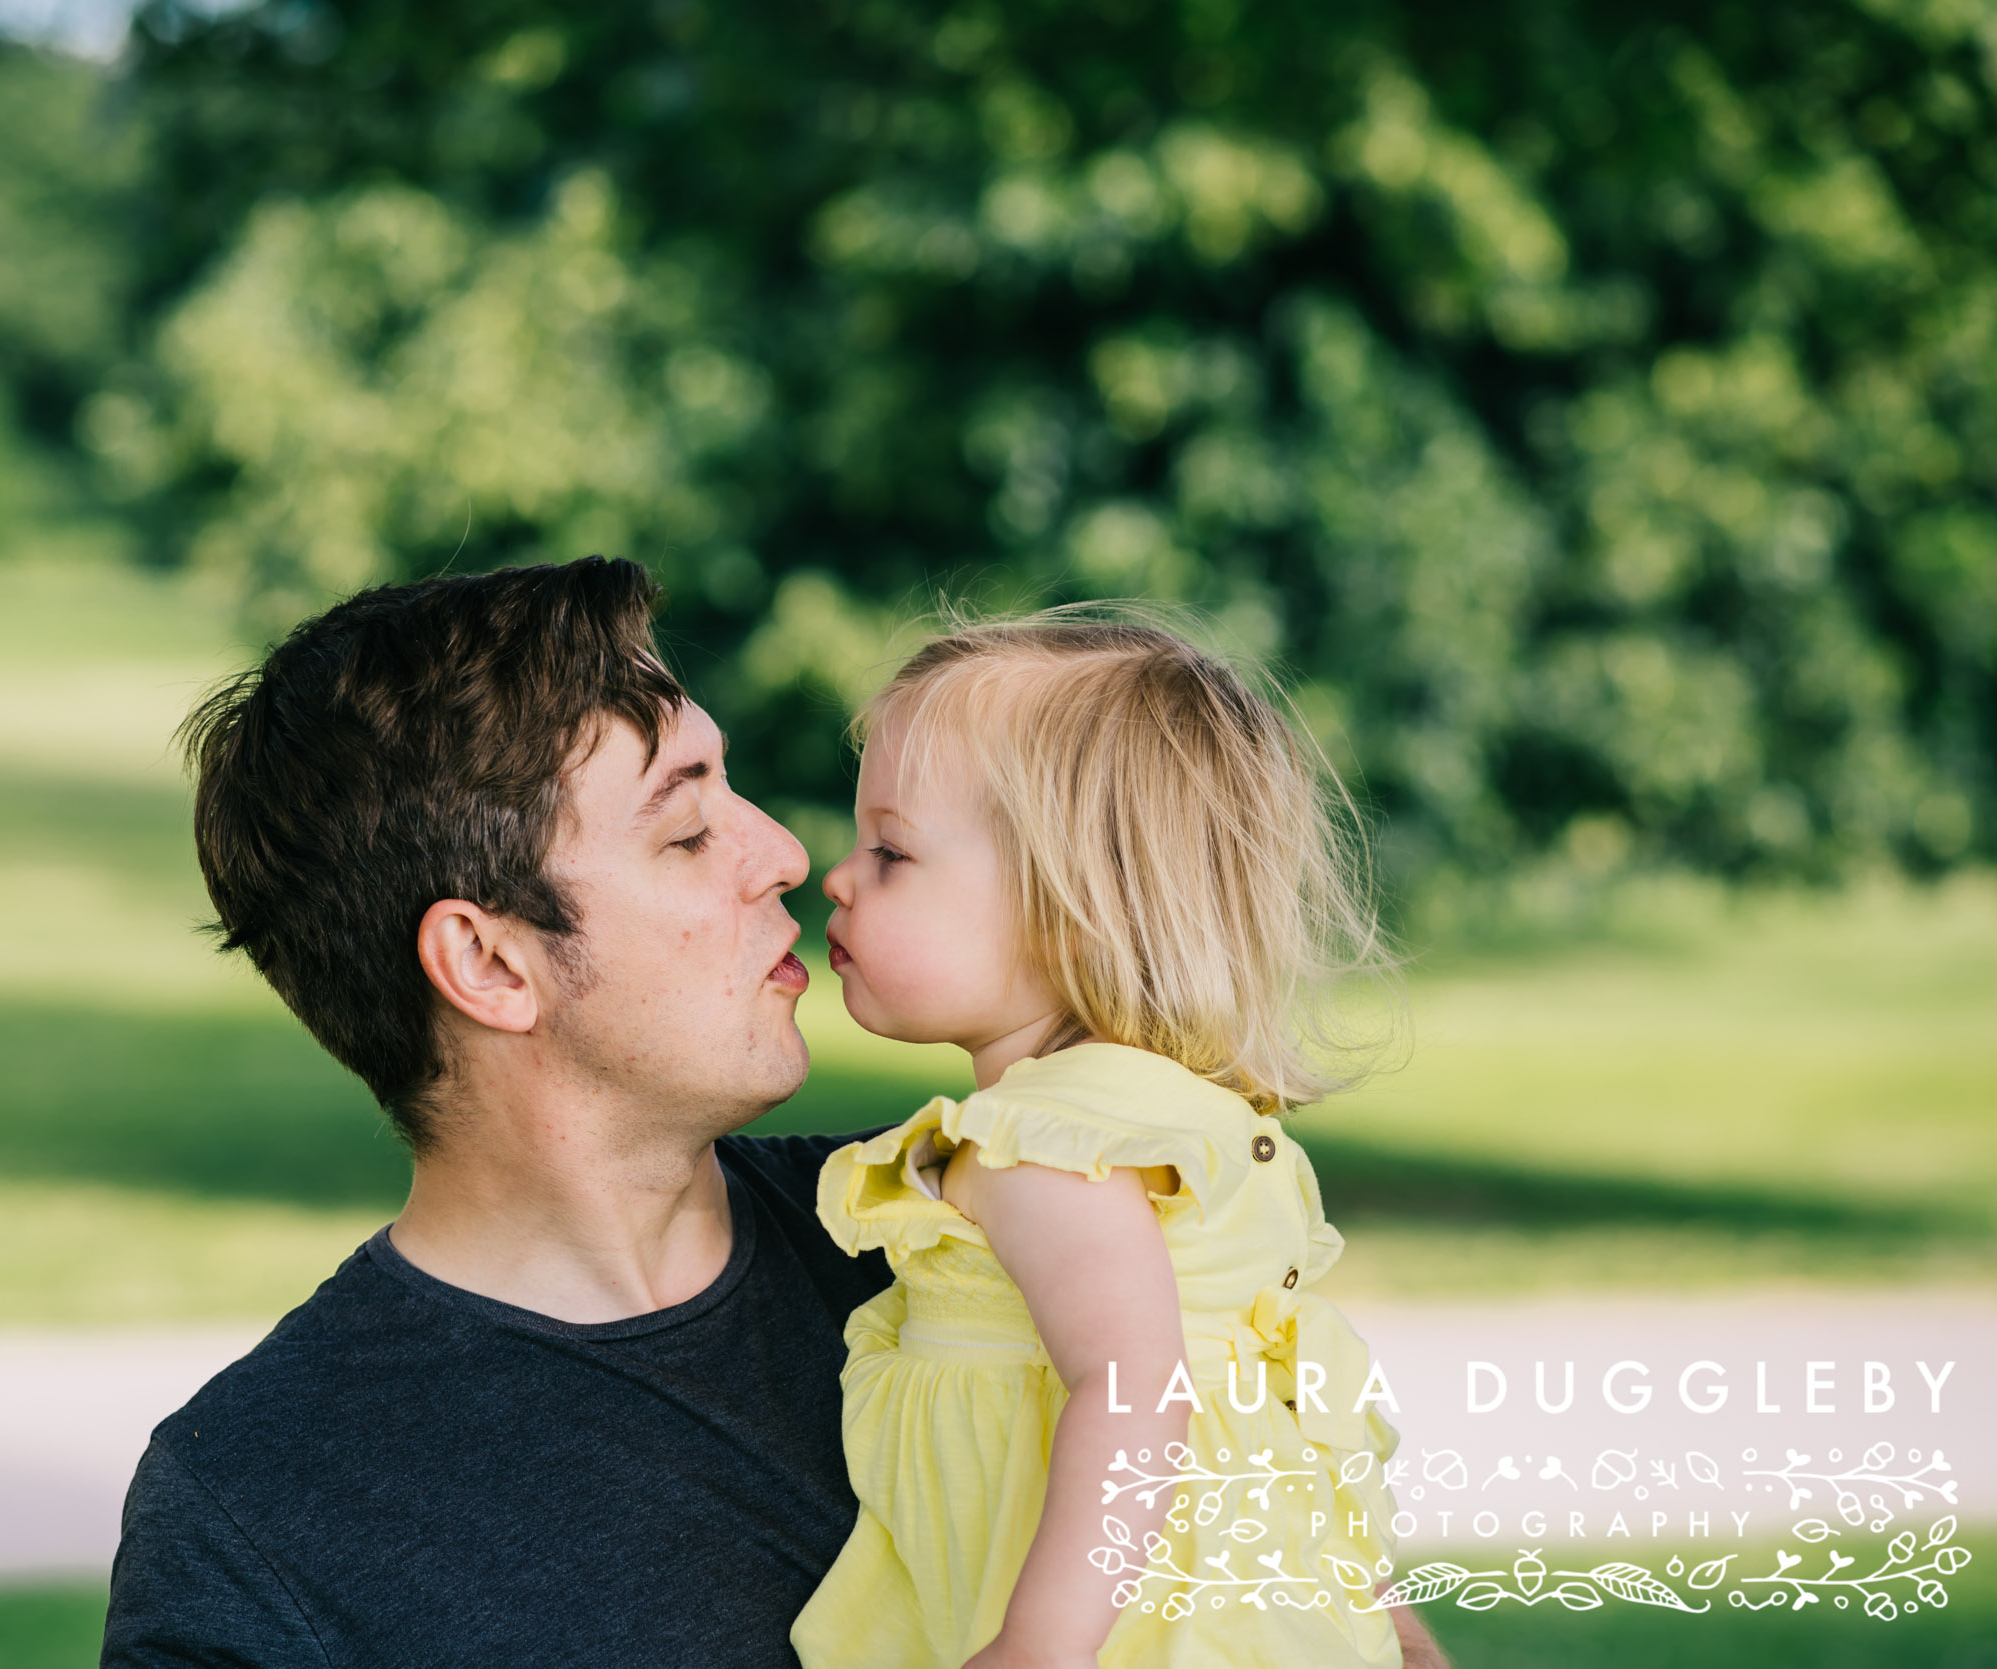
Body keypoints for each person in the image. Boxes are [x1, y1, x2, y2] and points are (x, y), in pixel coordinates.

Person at [100, 559, 1446, 1668]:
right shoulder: (264, 1505)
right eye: (687, 832)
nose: (788, 857)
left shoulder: (954, 1238)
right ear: (492, 963)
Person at [793, 615, 1416, 1669]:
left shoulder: (1047, 1144)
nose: (837, 878)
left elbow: (1134, 1387)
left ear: (1073, 910)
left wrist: (1039, 1647)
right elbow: (1282, 1426)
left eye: (891, 851)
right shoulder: (1155, 1120)